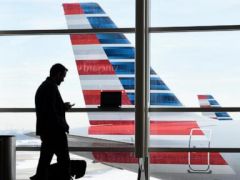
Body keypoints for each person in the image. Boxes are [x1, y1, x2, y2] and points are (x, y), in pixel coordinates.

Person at [30, 63, 74, 180]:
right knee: (64, 161)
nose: (63, 79)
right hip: (55, 132)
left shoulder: (45, 86)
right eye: (63, 76)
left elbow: (49, 107)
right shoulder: (50, 87)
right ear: (58, 74)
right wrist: (61, 126)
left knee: (44, 161)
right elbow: (51, 111)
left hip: (47, 131)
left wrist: (61, 106)